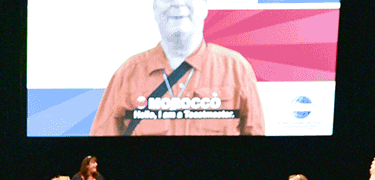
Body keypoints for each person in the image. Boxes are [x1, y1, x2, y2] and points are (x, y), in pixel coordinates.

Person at [90, 0, 264, 136]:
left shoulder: (236, 69)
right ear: (155, 10)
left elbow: (257, 145)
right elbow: (101, 145)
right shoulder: (127, 74)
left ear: (205, 7)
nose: (178, 2)